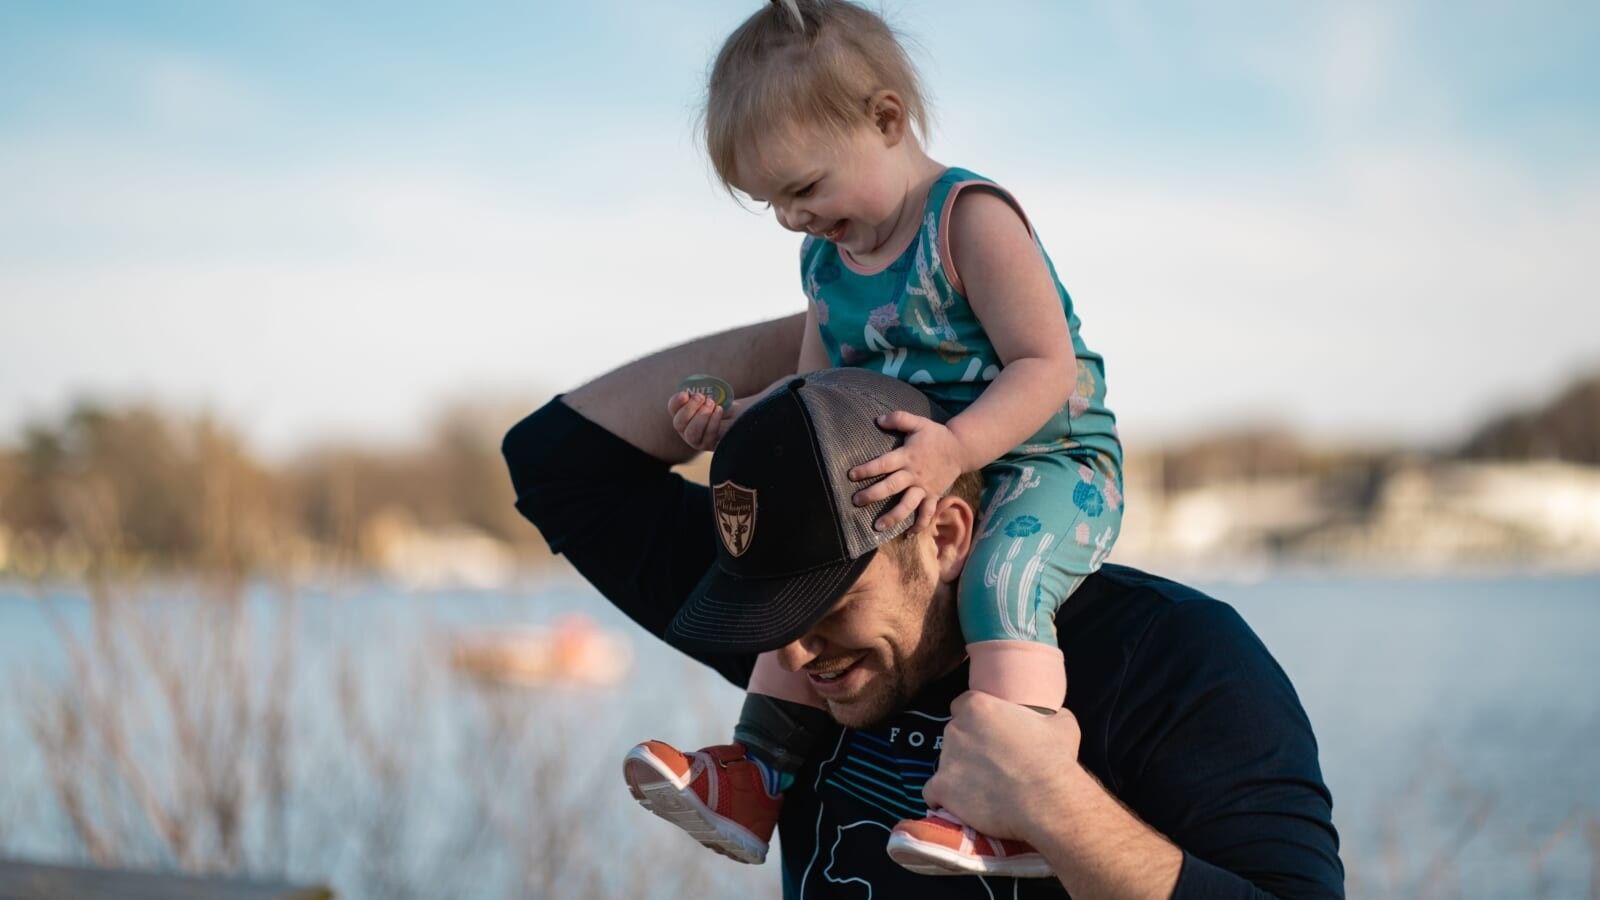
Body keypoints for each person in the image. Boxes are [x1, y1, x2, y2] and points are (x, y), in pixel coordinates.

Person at [502, 316, 1344, 898]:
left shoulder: (1173, 658)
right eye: (769, 616)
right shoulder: (795, 658)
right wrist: (850, 316)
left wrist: (1057, 807)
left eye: (826, 602)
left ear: (943, 535)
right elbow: (555, 461)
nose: (791, 653)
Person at [633, 0, 1125, 875]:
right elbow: (819, 390)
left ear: (887, 120)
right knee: (796, 570)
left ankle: (1015, 807)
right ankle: (757, 775)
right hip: (924, 469)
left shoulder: (968, 221)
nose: (792, 218)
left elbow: (1046, 366)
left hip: (1049, 463)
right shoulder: (826, 261)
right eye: (772, 203)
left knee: (1002, 580)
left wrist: (956, 448)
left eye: (804, 188)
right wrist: (743, 414)